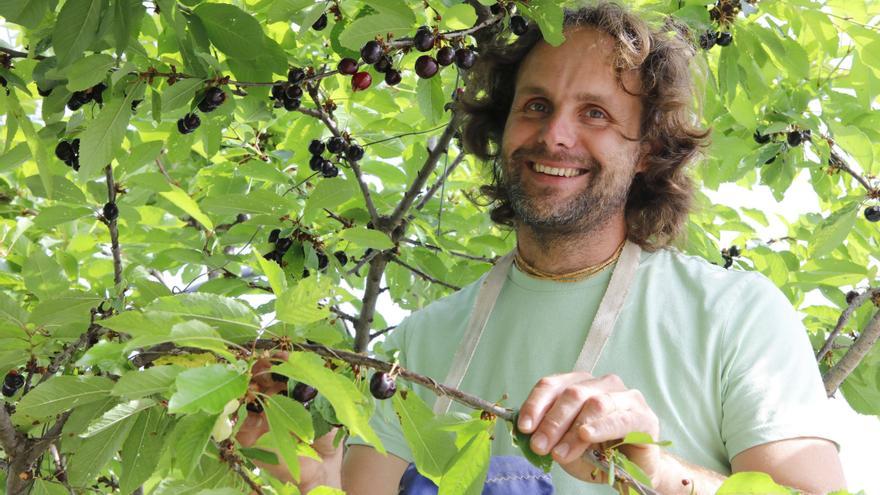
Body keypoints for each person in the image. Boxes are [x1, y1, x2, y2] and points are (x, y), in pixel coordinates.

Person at [238, 2, 846, 493]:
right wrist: (301, 463)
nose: (555, 135)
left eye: (596, 114)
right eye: (535, 106)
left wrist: (658, 476)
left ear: (648, 151)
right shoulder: (412, 348)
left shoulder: (735, 316)